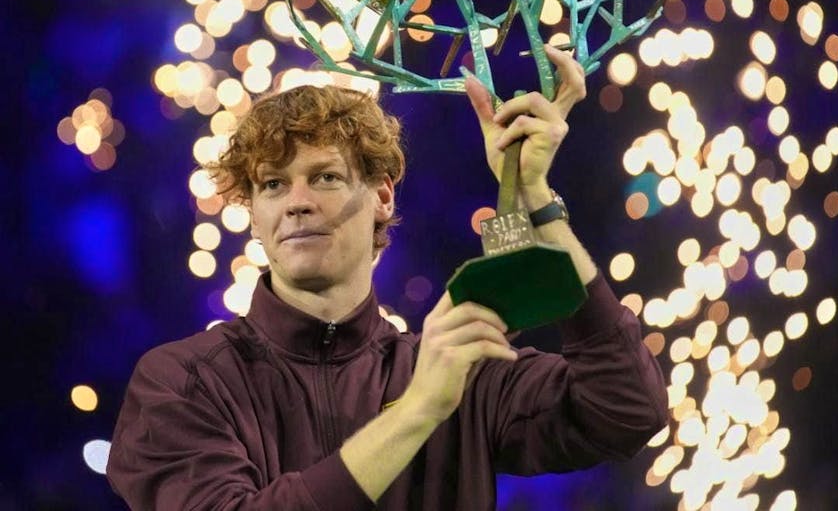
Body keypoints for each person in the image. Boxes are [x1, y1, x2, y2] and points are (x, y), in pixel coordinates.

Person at [107, 44, 667, 510]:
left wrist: (536, 196)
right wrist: (419, 408)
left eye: (324, 177)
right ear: (253, 212)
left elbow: (626, 410)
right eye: (273, 185)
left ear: (381, 196)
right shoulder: (182, 382)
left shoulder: (457, 372)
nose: (296, 203)